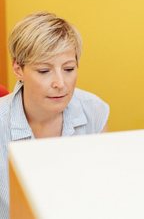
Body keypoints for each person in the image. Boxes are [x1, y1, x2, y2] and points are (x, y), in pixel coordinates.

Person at [0, 12, 109, 218]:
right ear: (18, 69)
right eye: (44, 71)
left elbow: (101, 191)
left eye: (68, 69)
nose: (60, 83)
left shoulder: (94, 110)